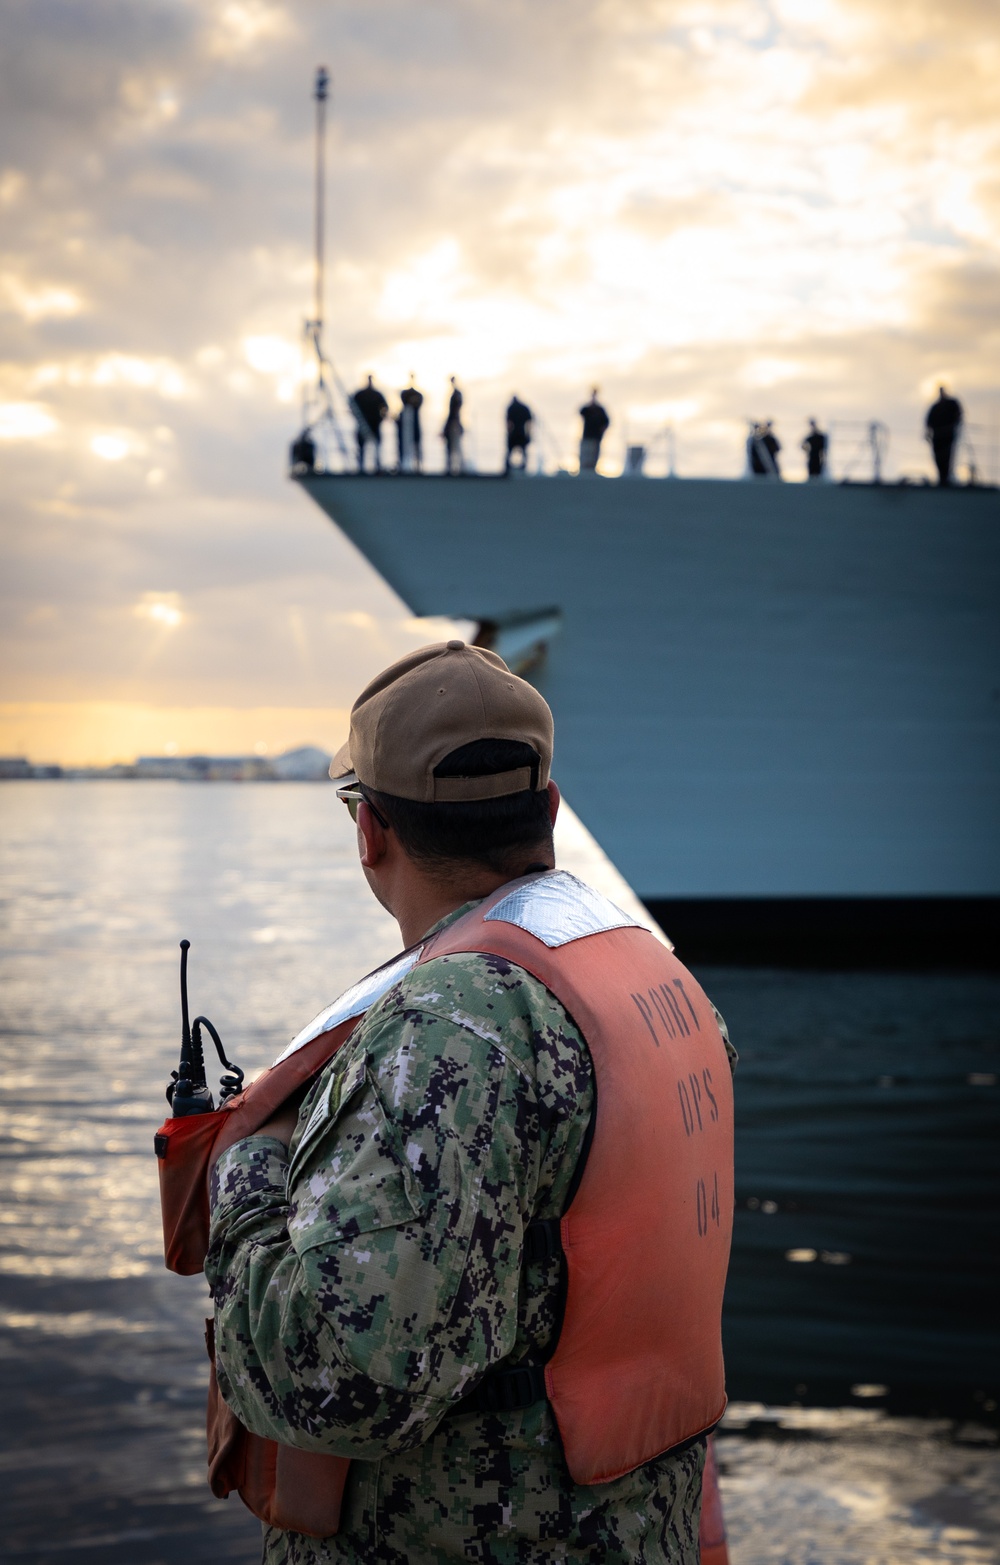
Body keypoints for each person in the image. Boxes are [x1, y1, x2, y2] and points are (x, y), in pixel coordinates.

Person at [206, 639, 737, 1565]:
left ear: (369, 829)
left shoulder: (448, 1029)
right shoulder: (659, 976)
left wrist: (247, 1169)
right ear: (553, 811)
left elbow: (347, 1380)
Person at [925, 385, 963, 486]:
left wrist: (954, 426)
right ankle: (942, 479)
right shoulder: (935, 407)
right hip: (937, 437)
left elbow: (959, 415)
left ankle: (945, 478)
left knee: (947, 457)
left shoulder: (952, 404)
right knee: (939, 458)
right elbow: (928, 423)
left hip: (947, 436)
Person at [352, 375, 389, 473]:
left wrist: (380, 419)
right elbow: (352, 405)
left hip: (374, 423)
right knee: (362, 447)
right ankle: (361, 468)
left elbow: (385, 407)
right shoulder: (361, 394)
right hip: (364, 424)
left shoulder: (376, 395)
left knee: (376, 446)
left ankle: (377, 466)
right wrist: (358, 418)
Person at [579, 388, 610, 472]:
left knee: (593, 458)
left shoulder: (600, 410)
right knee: (585, 458)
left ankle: (592, 471)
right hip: (586, 438)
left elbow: (606, 422)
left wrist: (602, 431)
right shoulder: (588, 408)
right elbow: (581, 412)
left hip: (596, 438)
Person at [397, 376, 424, 473]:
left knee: (416, 446)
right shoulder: (405, 412)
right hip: (406, 427)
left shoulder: (417, 400)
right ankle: (404, 466)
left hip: (414, 427)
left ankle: (417, 466)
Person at [505, 393, 533, 473]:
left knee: (511, 452)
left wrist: (509, 434)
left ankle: (509, 467)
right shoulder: (524, 408)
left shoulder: (511, 408)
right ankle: (522, 466)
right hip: (521, 433)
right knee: (522, 452)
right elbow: (529, 422)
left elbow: (508, 423)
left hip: (515, 433)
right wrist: (528, 434)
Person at [442, 376, 464, 474]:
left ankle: (457, 468)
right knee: (452, 447)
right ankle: (453, 467)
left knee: (456, 447)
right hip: (453, 424)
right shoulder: (456, 394)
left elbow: (454, 411)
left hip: (454, 424)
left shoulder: (456, 394)